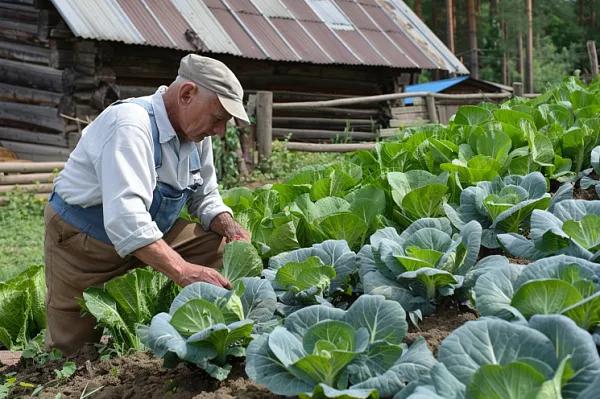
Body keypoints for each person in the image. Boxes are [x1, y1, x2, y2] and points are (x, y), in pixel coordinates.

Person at [43, 54, 252, 356]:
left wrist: (228, 225)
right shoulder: (130, 125)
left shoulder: (196, 135)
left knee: (220, 249)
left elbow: (205, 196)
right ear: (187, 94)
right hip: (85, 239)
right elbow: (126, 220)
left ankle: (204, 338)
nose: (220, 131)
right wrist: (181, 270)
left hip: (152, 228)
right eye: (218, 118)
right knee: (71, 352)